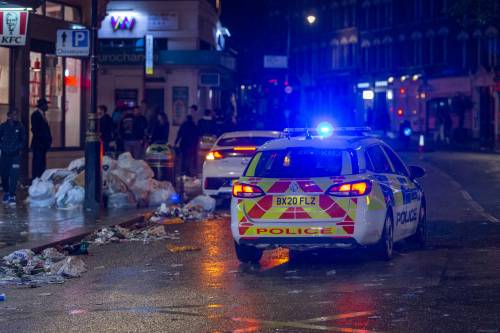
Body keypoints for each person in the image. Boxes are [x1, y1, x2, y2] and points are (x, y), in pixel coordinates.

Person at [0, 109, 26, 205]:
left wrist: (18, 147)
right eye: (14, 114)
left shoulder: (20, 126)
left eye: (17, 114)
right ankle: (6, 192)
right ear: (9, 116)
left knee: (14, 175)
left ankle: (12, 195)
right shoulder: (3, 127)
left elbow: (23, 140)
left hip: (15, 155)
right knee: (4, 175)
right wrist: (3, 147)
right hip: (5, 155)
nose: (16, 116)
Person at [31, 98, 52, 179]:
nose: (47, 106)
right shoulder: (35, 115)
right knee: (37, 163)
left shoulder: (43, 115)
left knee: (42, 163)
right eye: (46, 105)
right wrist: (44, 139)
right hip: (38, 144)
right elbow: (35, 130)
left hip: (43, 145)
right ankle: (36, 179)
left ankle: (40, 178)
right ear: (42, 106)